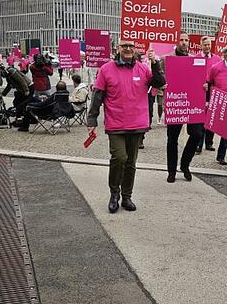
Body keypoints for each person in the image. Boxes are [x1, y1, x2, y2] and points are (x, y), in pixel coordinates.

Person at [87, 40, 165, 214]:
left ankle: (127, 196)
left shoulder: (143, 68)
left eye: (131, 46)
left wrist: (155, 63)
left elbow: (159, 83)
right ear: (118, 49)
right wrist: (92, 120)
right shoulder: (106, 69)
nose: (128, 49)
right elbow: (97, 96)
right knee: (119, 158)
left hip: (137, 123)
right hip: (116, 124)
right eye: (124, 46)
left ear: (134, 49)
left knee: (131, 163)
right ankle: (114, 194)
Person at [161, 33, 205, 182]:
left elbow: (202, 79)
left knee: (197, 134)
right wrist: (162, 85)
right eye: (182, 40)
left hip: (192, 103)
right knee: (172, 139)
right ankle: (171, 171)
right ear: (177, 42)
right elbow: (158, 77)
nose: (184, 43)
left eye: (186, 40)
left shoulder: (195, 59)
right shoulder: (166, 59)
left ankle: (185, 164)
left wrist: (205, 85)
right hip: (176, 103)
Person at [207, 44, 227, 174]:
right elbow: (209, 82)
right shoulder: (216, 68)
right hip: (220, 101)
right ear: (226, 55)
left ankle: (221, 156)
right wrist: (209, 100)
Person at [196, 36, 221, 153]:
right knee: (200, 119)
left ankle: (209, 143)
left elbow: (220, 76)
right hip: (200, 92)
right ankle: (198, 144)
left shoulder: (217, 59)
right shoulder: (196, 58)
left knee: (211, 117)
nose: (207, 47)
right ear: (201, 46)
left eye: (208, 44)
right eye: (205, 44)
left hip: (212, 92)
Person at [1, 64, 35, 131]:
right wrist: (3, 94)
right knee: (17, 102)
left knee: (23, 104)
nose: (2, 76)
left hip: (28, 87)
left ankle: (28, 120)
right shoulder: (8, 75)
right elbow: (9, 85)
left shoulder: (11, 72)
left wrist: (26, 90)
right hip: (23, 89)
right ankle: (20, 118)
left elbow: (21, 80)